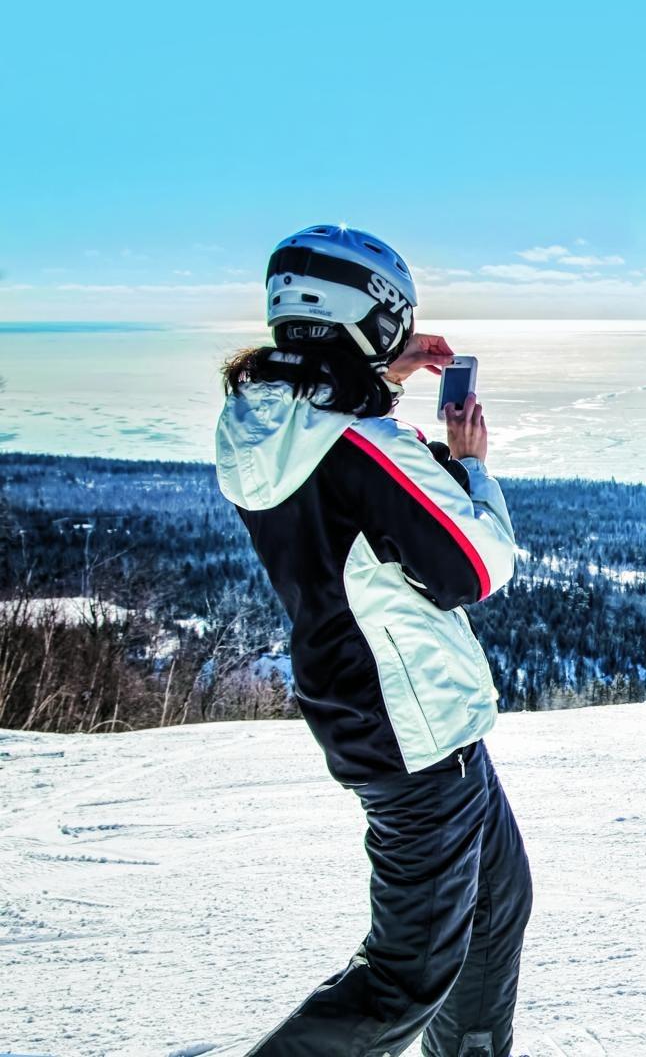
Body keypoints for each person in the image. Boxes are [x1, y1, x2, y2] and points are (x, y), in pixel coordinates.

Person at [214, 224, 531, 1057]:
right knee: (404, 976)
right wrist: (470, 466)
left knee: (497, 906)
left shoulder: (264, 427)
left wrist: (374, 372)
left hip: (394, 713)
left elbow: (321, 421)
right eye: (394, 319)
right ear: (365, 320)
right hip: (415, 733)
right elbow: (476, 567)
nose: (403, 333)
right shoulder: (365, 449)